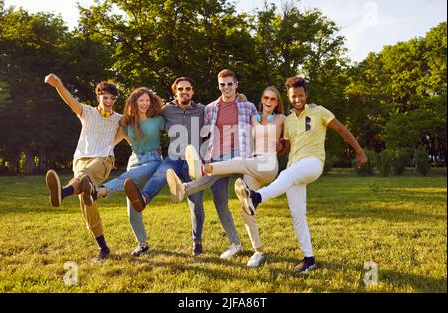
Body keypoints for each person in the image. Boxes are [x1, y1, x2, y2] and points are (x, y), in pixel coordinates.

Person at [235, 76, 368, 273]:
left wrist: (359, 151)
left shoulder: (319, 111)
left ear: (306, 95)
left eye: (300, 95)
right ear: (288, 98)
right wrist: (278, 148)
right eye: (293, 96)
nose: (297, 99)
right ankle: (309, 259)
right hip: (294, 167)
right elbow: (286, 147)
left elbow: (342, 130)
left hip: (313, 163)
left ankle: (256, 198)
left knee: (286, 176)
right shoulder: (288, 120)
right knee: (298, 214)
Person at [166, 86, 286, 267]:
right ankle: (258, 251)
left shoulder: (282, 119)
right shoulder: (253, 117)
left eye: (273, 99)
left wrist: (282, 145)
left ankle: (202, 169)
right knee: (247, 210)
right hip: (252, 166)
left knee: (239, 161)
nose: (269, 102)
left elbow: (293, 136)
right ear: (261, 100)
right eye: (266, 98)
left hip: (267, 164)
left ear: (278, 103)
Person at [123, 77, 207, 256]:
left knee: (196, 205)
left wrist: (239, 97)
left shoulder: (202, 110)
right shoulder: (166, 110)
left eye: (188, 89)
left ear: (193, 91)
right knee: (160, 174)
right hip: (174, 158)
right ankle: (143, 199)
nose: (184, 92)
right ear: (175, 92)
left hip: (194, 161)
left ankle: (197, 241)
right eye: (181, 89)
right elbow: (146, 115)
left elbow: (219, 112)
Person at [44, 73, 122, 262]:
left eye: (112, 98)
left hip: (103, 159)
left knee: (85, 176)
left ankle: (63, 193)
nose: (109, 101)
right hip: (80, 158)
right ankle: (103, 248)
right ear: (98, 97)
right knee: (88, 202)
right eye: (105, 98)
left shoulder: (120, 119)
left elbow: (134, 127)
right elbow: (70, 100)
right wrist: (58, 85)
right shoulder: (86, 112)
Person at [92, 87, 164, 257]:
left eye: (147, 100)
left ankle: (97, 191)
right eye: (141, 100)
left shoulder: (159, 119)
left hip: (153, 161)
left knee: (126, 179)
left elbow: (178, 122)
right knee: (133, 208)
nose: (145, 103)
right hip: (134, 160)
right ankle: (142, 244)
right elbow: (110, 143)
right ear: (134, 102)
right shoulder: (126, 123)